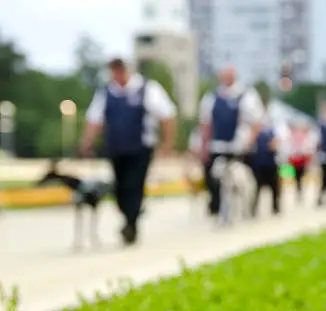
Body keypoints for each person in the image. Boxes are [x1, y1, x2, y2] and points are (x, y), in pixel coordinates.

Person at [79, 58, 176, 245]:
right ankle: (129, 216)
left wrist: (167, 143)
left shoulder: (147, 89)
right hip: (116, 147)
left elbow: (167, 115)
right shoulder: (106, 93)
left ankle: (131, 223)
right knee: (120, 187)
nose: (117, 75)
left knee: (135, 184)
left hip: (140, 147)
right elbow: (95, 119)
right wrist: (87, 141)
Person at [198, 65, 264, 216]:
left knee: (245, 179)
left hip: (240, 147)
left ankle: (248, 207)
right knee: (214, 177)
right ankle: (218, 206)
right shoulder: (212, 96)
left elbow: (256, 122)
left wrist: (249, 142)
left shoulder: (247, 95)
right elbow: (205, 123)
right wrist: (203, 145)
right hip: (218, 146)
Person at [251, 103, 285, 216]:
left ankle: (275, 207)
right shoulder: (255, 130)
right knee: (256, 188)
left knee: (275, 188)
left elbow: (277, 143)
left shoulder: (273, 129)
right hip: (259, 163)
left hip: (271, 163)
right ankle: (253, 209)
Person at [287, 120, 316, 203]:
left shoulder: (304, 136)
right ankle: (298, 190)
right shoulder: (292, 136)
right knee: (296, 177)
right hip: (295, 159)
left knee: (301, 176)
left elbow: (307, 147)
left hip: (302, 158)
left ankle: (300, 190)